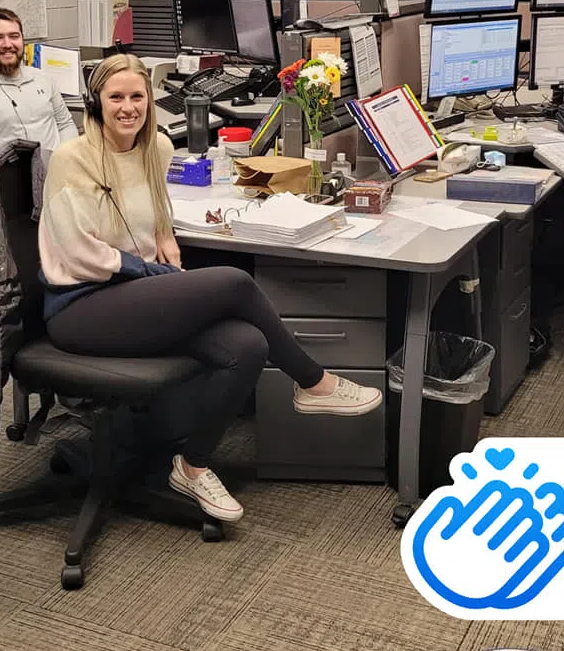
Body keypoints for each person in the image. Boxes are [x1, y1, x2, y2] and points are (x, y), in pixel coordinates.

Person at [38, 53, 382, 523]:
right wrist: (155, 275)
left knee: (249, 345)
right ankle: (313, 382)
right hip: (81, 306)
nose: (127, 107)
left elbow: (156, 213)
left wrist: (166, 244)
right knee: (235, 282)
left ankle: (193, 466)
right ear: (95, 102)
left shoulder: (156, 148)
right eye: (115, 97)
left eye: (136, 96)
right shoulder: (71, 159)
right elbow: (79, 253)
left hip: (131, 298)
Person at [0, 7, 79, 156]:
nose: (7, 44)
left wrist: (63, 159)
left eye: (14, 36)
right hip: (6, 169)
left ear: (22, 40)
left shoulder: (43, 78)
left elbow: (65, 125)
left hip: (56, 166)